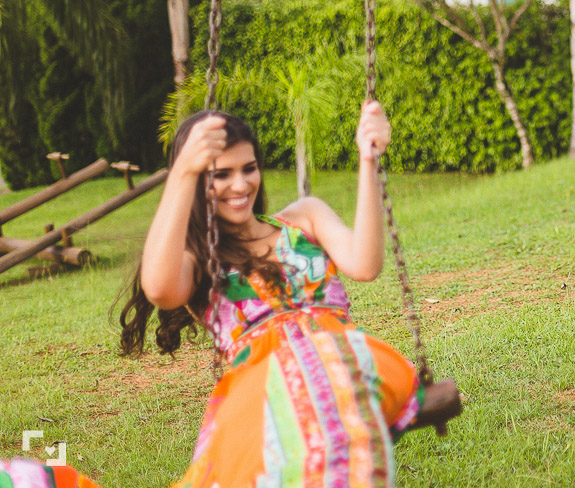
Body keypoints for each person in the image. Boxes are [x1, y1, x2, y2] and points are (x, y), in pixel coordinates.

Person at [1, 101, 420, 487]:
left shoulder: (304, 218)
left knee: (324, 382)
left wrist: (368, 159)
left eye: (248, 168)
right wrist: (183, 171)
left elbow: (365, 264)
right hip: (260, 387)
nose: (240, 184)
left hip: (343, 361)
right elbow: (160, 289)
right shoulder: (201, 258)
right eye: (220, 174)